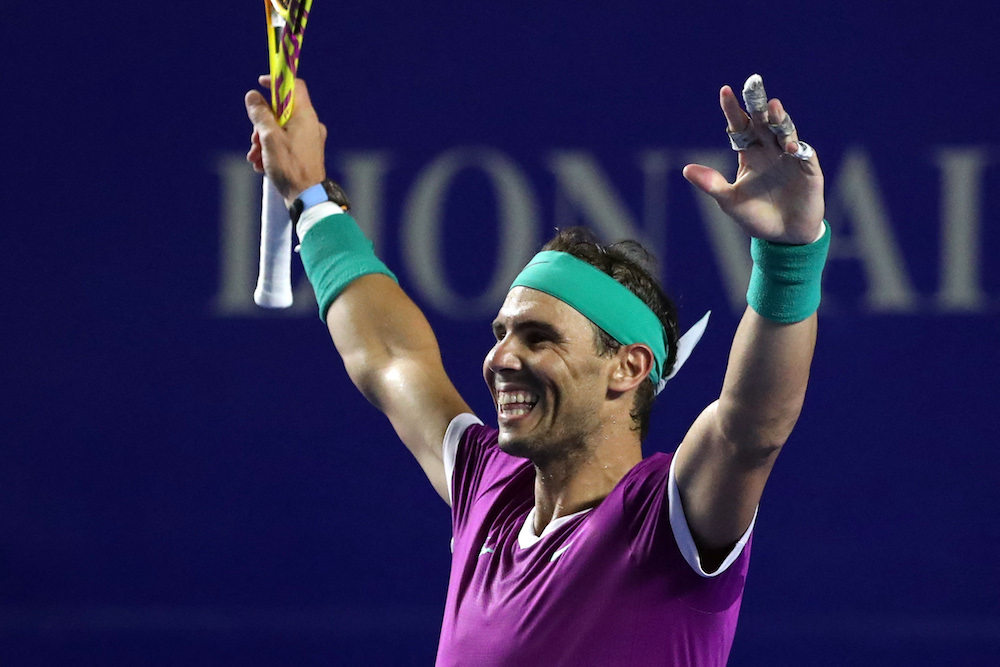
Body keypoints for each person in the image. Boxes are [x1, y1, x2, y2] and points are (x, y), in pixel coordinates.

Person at [244, 72, 828, 666]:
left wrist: (790, 259)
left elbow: (750, 430)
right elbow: (391, 355)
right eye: (501, 334)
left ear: (626, 368)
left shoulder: (665, 522)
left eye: (538, 338)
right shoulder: (486, 492)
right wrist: (311, 198)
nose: (501, 359)